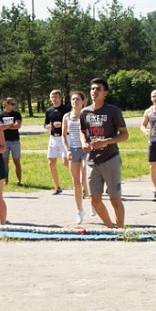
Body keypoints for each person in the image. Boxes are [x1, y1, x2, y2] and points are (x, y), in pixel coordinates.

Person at [81, 78, 129, 229]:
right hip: (92, 161)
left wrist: (106, 142)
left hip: (110, 159)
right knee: (94, 199)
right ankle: (110, 228)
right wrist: (84, 143)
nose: (94, 91)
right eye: (92, 88)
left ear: (105, 93)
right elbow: (82, 131)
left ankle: (120, 230)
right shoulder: (85, 112)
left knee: (115, 199)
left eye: (98, 89)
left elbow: (125, 135)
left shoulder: (112, 111)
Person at [62, 91, 92, 224]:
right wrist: (67, 150)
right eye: (73, 99)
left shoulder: (87, 115)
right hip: (73, 150)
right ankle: (80, 210)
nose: (75, 101)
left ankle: (93, 201)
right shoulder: (66, 116)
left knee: (84, 178)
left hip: (85, 149)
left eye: (78, 99)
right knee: (76, 182)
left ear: (84, 101)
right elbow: (63, 135)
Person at [45, 89, 70, 195]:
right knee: (51, 162)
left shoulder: (66, 109)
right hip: (53, 138)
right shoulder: (49, 110)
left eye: (56, 97)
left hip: (65, 137)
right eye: (52, 97)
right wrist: (47, 126)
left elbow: (73, 121)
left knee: (66, 162)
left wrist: (62, 125)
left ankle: (81, 183)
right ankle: (57, 187)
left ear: (60, 98)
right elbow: (46, 123)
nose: (54, 99)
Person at [0, 97, 23, 186]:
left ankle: (19, 181)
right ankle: (5, 181)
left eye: (14, 104)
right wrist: (11, 124)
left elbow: (18, 125)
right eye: (12, 104)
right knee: (4, 162)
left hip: (15, 141)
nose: (14, 106)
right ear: (6, 104)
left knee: (17, 161)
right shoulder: (0, 115)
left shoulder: (17, 114)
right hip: (4, 141)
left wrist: (6, 126)